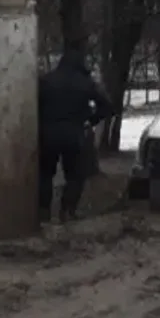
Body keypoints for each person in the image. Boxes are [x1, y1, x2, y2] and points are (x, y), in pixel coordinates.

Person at [38, 46, 116, 222]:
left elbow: (34, 105)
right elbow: (107, 106)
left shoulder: (46, 81)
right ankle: (67, 211)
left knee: (45, 174)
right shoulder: (86, 82)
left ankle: (43, 213)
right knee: (75, 175)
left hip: (48, 133)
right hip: (75, 133)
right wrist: (91, 119)